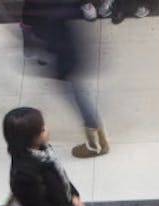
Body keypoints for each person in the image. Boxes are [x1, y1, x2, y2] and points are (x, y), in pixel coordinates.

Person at [20, 0, 107, 157]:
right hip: (66, 42)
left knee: (76, 92)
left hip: (60, 48)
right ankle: (97, 138)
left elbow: (32, 16)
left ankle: (97, 144)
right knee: (76, 89)